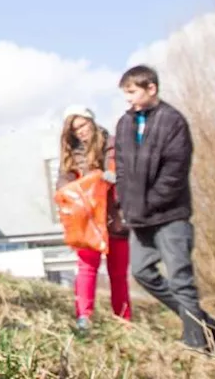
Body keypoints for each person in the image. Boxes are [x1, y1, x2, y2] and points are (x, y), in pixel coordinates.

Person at [114, 65, 215, 351]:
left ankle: (196, 345)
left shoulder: (173, 121)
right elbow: (123, 170)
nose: (128, 100)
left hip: (170, 216)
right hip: (138, 217)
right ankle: (204, 324)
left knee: (180, 280)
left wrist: (148, 205)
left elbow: (175, 172)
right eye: (125, 94)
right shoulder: (124, 124)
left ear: (151, 88)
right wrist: (126, 206)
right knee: (141, 272)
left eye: (133, 92)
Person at [57, 105, 130, 331]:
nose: (80, 131)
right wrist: (87, 183)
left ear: (92, 121)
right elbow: (63, 186)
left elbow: (130, 171)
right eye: (74, 129)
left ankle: (124, 320)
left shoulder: (114, 145)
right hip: (88, 222)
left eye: (83, 125)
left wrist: (115, 178)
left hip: (116, 217)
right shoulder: (71, 156)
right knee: (87, 269)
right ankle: (84, 317)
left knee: (118, 273)